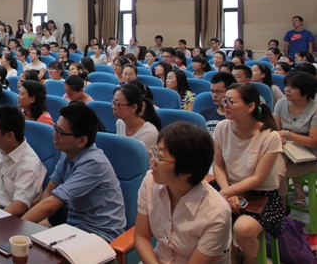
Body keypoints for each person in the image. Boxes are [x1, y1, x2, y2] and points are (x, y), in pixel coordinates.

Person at [22, 102, 126, 243]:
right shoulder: (67, 153)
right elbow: (48, 192)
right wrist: (44, 220)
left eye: (60, 132)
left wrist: (17, 227)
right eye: (55, 128)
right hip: (73, 229)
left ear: (82, 141)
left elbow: (53, 202)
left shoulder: (94, 163)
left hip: (100, 236)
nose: (54, 134)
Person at [135, 122, 232, 264]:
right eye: (156, 151)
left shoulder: (217, 213)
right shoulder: (151, 181)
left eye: (161, 157)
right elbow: (141, 237)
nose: (153, 160)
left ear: (186, 171)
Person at [213, 83, 282, 264]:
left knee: (243, 230)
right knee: (203, 217)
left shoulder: (269, 136)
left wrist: (227, 193)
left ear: (250, 107)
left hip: (261, 194)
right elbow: (218, 165)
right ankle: (234, 254)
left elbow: (258, 178)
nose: (225, 105)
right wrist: (228, 192)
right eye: (225, 101)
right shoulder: (222, 127)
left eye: (231, 102)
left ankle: (249, 259)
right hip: (227, 186)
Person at [273, 71, 317, 207]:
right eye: (286, 85)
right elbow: (275, 130)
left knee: (275, 168)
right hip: (286, 150)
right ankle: (280, 204)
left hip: (309, 155)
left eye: (293, 87)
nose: (287, 90)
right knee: (273, 160)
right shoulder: (281, 104)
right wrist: (279, 137)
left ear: (306, 91)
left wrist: (287, 134)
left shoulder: (314, 110)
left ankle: (278, 204)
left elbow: (313, 141)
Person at [113, 85, 161, 161]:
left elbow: (135, 161)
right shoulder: (120, 123)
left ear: (133, 107)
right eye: (113, 102)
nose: (113, 107)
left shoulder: (149, 133)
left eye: (117, 104)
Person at [197, 72, 236, 137]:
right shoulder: (205, 114)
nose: (214, 95)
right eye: (212, 91)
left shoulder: (236, 117)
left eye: (218, 92)